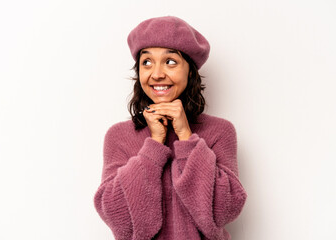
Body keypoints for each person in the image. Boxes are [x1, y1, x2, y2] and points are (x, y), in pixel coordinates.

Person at [93, 16, 247, 240]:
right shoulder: (119, 136)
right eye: (146, 62)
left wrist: (186, 137)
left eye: (170, 62)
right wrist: (154, 146)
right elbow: (118, 219)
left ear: (190, 71)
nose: (156, 74)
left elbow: (226, 209)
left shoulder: (220, 131)